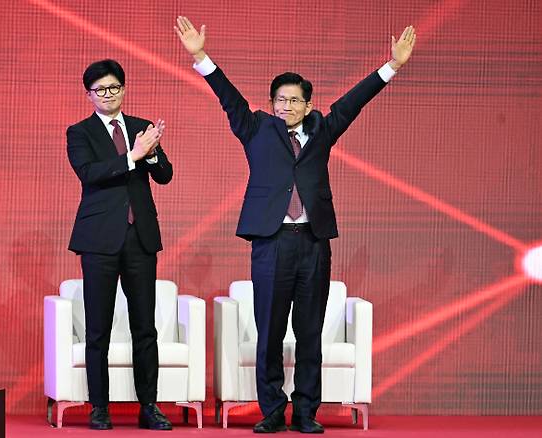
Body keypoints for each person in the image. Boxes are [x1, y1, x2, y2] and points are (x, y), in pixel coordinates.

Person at [175, 16, 415, 434]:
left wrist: (391, 66)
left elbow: (353, 102)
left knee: (309, 331)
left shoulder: (322, 129)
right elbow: (228, 97)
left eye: (293, 101)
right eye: (279, 100)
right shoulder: (256, 128)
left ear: (307, 104)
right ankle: (271, 409)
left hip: (313, 243)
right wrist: (201, 57)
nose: (285, 107)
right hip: (271, 242)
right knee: (269, 330)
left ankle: (306, 410)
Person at [66, 59, 174, 430]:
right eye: (100, 90)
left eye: (113, 88)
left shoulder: (142, 128)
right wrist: (132, 156)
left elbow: (164, 176)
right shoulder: (79, 132)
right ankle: (99, 407)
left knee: (145, 327)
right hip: (99, 240)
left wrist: (152, 152)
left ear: (123, 89)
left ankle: (149, 406)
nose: (108, 94)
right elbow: (89, 174)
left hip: (140, 238)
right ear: (89, 95)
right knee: (98, 328)